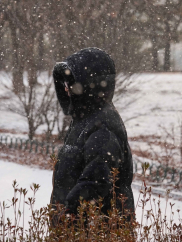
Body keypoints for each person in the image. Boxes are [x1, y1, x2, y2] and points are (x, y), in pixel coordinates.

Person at [50, 47, 135, 221]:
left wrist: (69, 214)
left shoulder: (102, 126)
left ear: (91, 85)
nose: (67, 89)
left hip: (94, 230)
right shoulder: (84, 121)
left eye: (72, 84)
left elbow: (97, 180)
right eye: (65, 85)